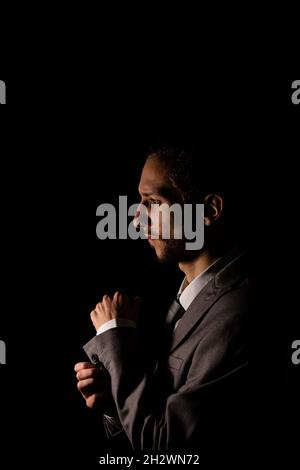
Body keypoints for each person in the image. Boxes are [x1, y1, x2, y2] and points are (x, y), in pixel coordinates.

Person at [74, 143, 282, 454]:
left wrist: (114, 337)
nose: (136, 222)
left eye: (154, 202)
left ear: (209, 210)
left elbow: (166, 450)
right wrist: (114, 400)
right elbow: (158, 412)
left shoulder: (238, 315)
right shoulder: (189, 299)